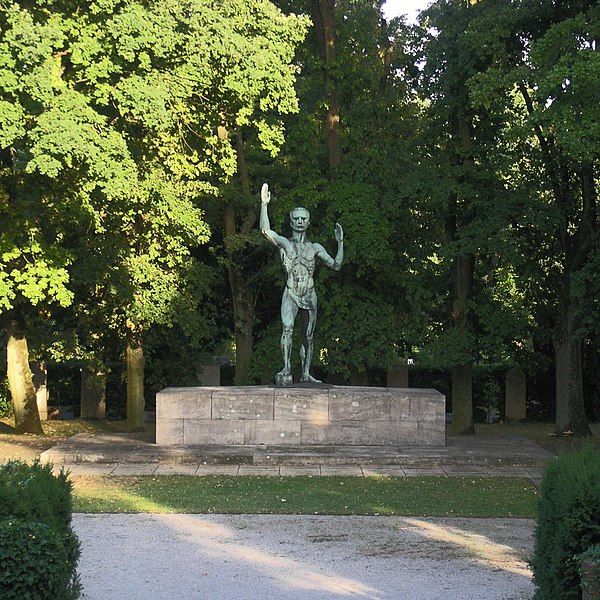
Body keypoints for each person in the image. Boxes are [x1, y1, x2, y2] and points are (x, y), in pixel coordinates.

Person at [259, 183, 343, 385]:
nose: (299, 221)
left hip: (310, 295)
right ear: (291, 221)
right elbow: (265, 230)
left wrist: (340, 244)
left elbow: (336, 265)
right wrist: (264, 204)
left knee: (308, 336)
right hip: (291, 293)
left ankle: (306, 374)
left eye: (303, 219)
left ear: (308, 222)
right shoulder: (285, 244)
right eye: (296, 218)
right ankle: (287, 367)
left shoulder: (315, 248)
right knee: (287, 328)